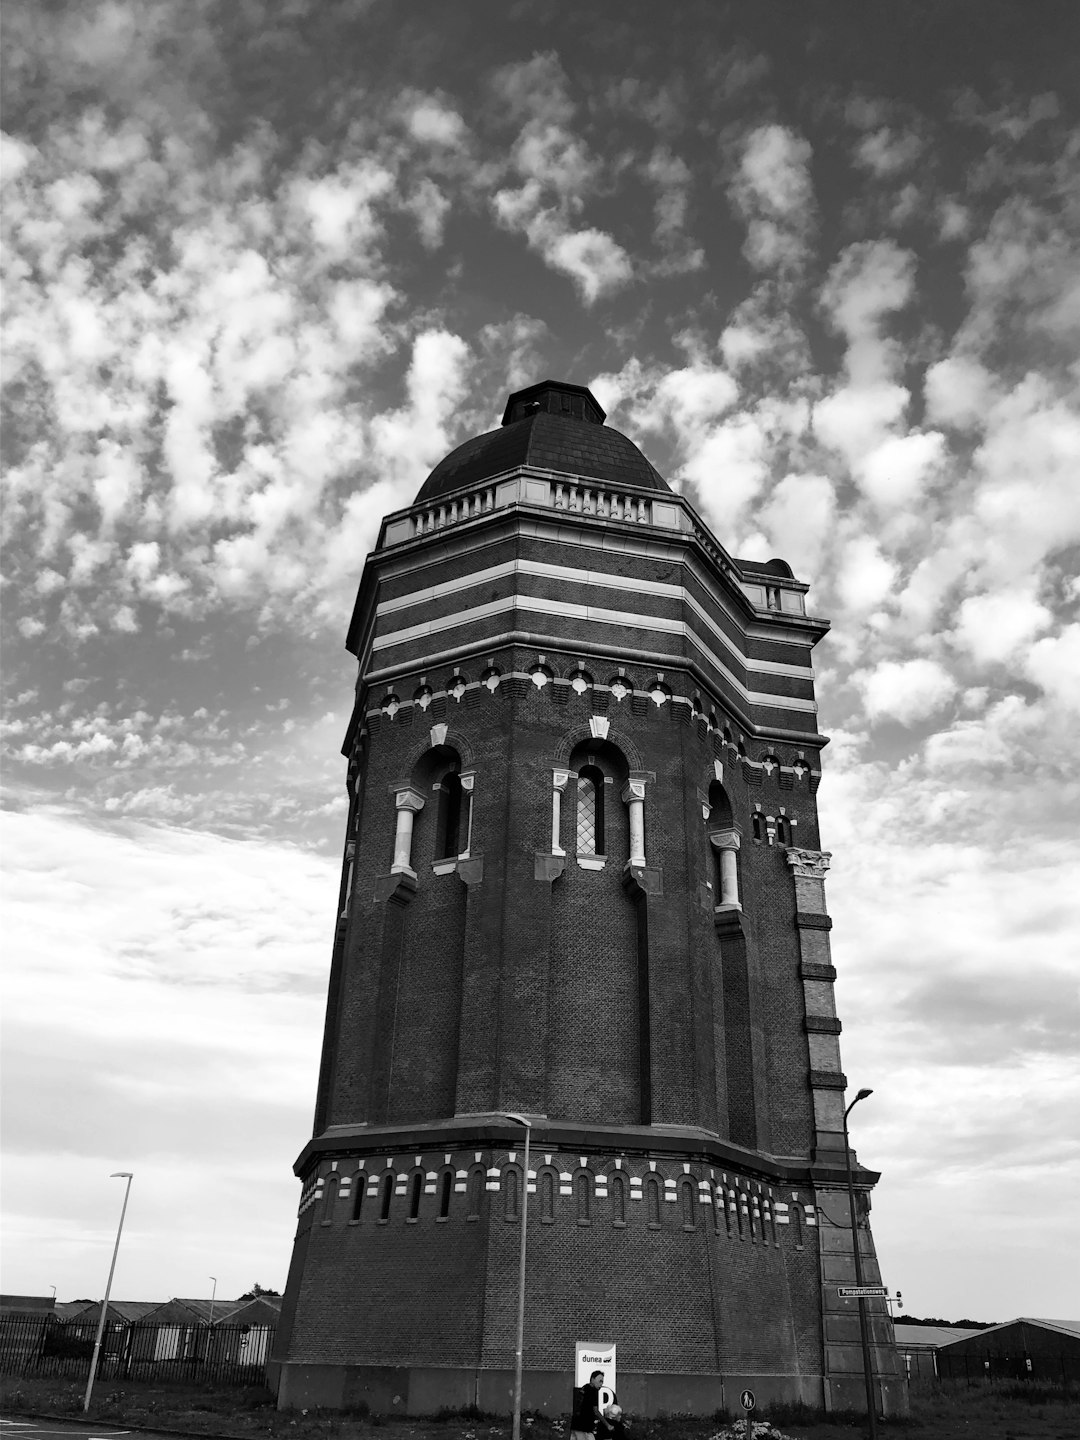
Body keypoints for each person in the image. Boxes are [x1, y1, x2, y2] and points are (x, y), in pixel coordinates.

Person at [570, 1370, 609, 1440]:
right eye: (600, 1381)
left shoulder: (584, 1387)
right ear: (592, 1379)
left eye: (602, 1382)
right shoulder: (593, 1391)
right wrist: (607, 1425)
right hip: (584, 1428)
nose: (601, 1384)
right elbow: (596, 1411)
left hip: (575, 1425)